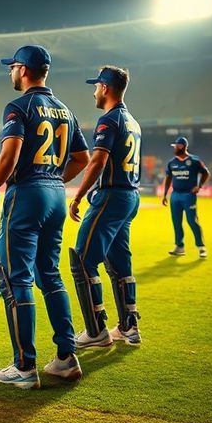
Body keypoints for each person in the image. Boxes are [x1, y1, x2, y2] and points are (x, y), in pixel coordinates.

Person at [0, 45, 90, 389]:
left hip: (27, 195)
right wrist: (53, 179)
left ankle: (24, 366)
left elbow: (7, 159)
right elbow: (81, 158)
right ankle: (66, 358)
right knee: (50, 275)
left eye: (12, 68)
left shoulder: (18, 106)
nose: (10, 73)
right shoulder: (66, 110)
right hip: (54, 193)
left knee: (17, 280)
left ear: (23, 70)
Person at [68, 66, 143, 349]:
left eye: (96, 86)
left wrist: (77, 196)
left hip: (110, 197)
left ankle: (96, 331)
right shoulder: (133, 121)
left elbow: (97, 161)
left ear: (106, 88)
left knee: (83, 261)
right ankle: (128, 326)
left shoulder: (108, 120)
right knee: (120, 263)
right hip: (129, 197)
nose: (94, 91)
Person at [162, 136, 210, 258]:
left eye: (177, 146)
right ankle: (179, 246)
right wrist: (165, 194)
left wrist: (199, 186)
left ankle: (201, 247)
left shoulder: (194, 161)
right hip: (175, 195)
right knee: (176, 222)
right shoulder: (172, 162)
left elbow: (206, 173)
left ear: (183, 146)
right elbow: (168, 178)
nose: (175, 148)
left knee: (192, 221)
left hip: (189, 195)